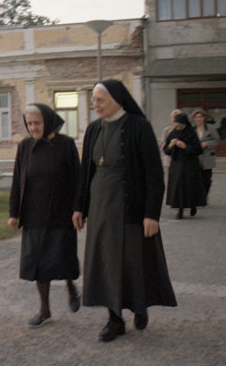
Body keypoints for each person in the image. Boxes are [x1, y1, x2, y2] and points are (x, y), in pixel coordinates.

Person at [72, 80, 177, 343]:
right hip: (101, 209)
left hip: (130, 208)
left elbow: (154, 174)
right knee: (106, 264)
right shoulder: (93, 129)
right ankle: (114, 319)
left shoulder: (138, 127)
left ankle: (140, 307)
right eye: (93, 100)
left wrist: (151, 214)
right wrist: (79, 207)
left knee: (134, 262)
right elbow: (86, 172)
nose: (95, 105)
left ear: (117, 99)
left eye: (99, 100)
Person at [8, 103, 81, 328]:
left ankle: (71, 287)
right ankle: (45, 310)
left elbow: (78, 181)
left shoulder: (66, 145)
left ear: (47, 121)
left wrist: (78, 209)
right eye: (29, 123)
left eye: (37, 123)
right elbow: (18, 180)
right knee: (38, 263)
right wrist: (13, 212)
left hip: (61, 213)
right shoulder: (25, 146)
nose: (32, 128)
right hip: (34, 215)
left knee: (62, 257)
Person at [164, 113, 206, 219]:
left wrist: (185, 146)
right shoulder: (173, 133)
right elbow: (166, 150)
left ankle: (193, 205)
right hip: (176, 164)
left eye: (180, 125)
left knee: (189, 186)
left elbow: (198, 149)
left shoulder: (191, 133)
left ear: (185, 124)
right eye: (177, 125)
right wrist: (171, 145)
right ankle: (180, 209)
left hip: (190, 164)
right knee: (178, 186)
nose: (178, 127)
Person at [192, 109, 220, 201]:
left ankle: (205, 195)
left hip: (207, 157)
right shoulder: (192, 129)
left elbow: (217, 140)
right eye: (196, 117)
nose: (198, 119)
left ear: (204, 118)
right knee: (196, 179)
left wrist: (206, 144)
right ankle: (199, 197)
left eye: (200, 117)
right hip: (196, 157)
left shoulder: (211, 128)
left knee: (207, 179)